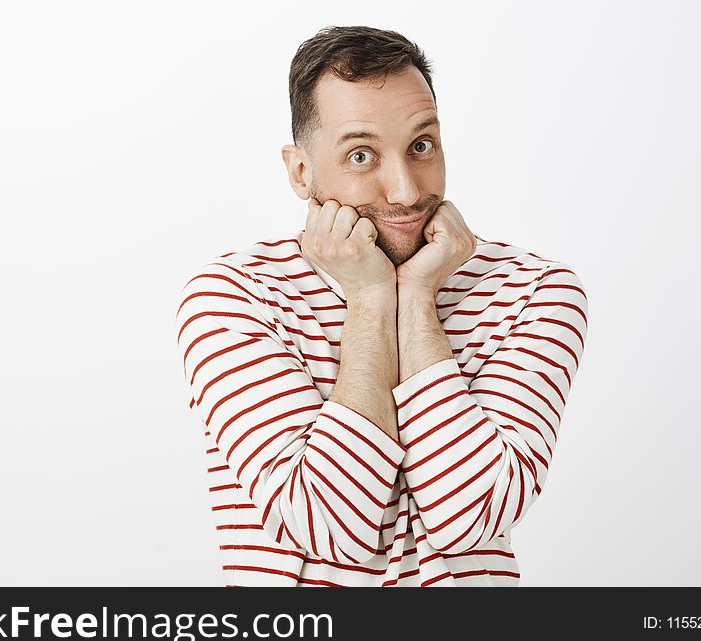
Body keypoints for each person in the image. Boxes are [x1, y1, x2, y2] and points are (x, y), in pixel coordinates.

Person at [175, 25, 588, 586]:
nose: (404, 191)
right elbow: (329, 526)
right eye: (362, 155)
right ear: (300, 172)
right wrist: (371, 299)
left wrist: (414, 297)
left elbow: (472, 518)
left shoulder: (534, 290)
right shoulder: (234, 296)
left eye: (422, 146)